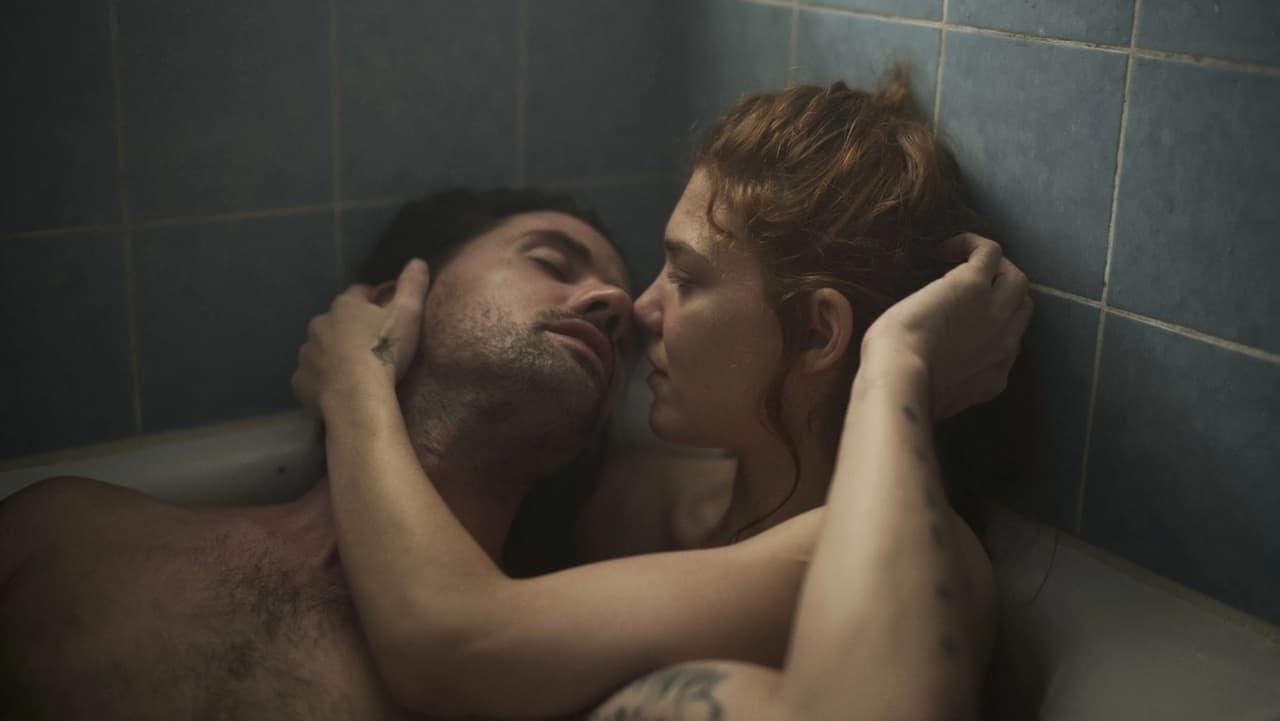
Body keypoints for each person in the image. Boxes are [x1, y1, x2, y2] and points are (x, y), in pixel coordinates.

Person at [291, 74, 1031, 719]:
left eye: (685, 277)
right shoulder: (639, 499)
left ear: (817, 332)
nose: (639, 310)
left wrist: (354, 379)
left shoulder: (904, 551)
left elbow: (452, 647)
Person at [0, 188, 641, 720]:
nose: (615, 305)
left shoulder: (546, 678)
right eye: (552, 262)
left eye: (629, 340)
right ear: (388, 307)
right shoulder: (62, 534)